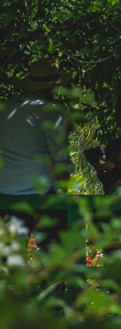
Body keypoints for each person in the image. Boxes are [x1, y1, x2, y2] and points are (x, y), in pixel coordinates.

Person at [0, 59, 73, 248]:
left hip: (3, 192)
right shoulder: (51, 110)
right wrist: (56, 201)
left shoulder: (6, 108)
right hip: (36, 193)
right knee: (57, 251)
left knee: (8, 260)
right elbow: (61, 161)